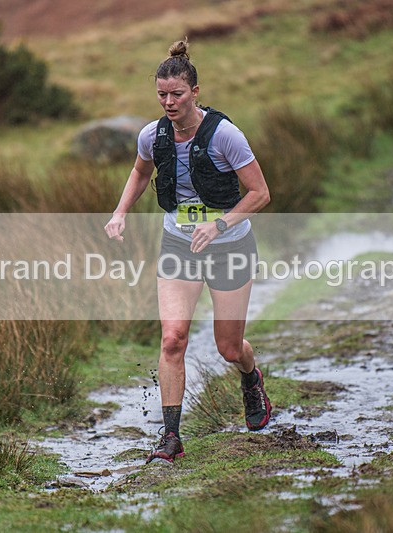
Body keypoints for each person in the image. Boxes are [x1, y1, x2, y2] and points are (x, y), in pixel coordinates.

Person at [104, 39, 273, 463]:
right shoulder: (152, 135)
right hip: (179, 243)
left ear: (194, 92)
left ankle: (251, 381)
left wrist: (218, 225)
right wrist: (120, 212)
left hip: (229, 245)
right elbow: (140, 173)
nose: (168, 102)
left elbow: (260, 193)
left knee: (229, 349)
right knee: (173, 338)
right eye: (161, 94)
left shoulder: (225, 135)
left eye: (176, 94)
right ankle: (171, 438)